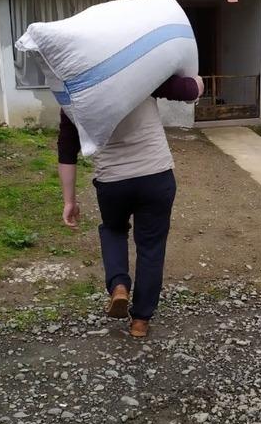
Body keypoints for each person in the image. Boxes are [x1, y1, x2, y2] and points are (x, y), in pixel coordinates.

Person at [58, 75, 204, 338]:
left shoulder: (75, 90)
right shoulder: (140, 70)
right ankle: (140, 321)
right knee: (151, 247)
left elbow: (66, 149)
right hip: (156, 176)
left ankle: (119, 286)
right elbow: (188, 90)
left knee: (113, 230)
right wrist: (199, 82)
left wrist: (70, 201)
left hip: (112, 183)